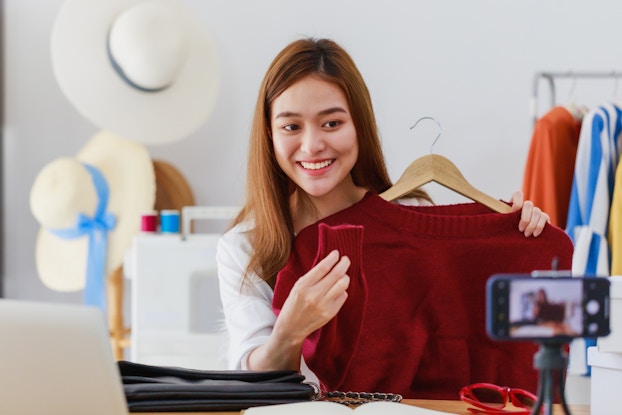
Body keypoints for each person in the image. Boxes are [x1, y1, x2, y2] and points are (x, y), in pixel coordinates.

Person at [217, 37, 551, 395]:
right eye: (291, 126)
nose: (312, 145)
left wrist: (515, 238)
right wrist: (290, 330)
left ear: (359, 125)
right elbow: (251, 384)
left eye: (331, 123)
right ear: (269, 134)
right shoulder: (246, 246)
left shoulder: (414, 219)